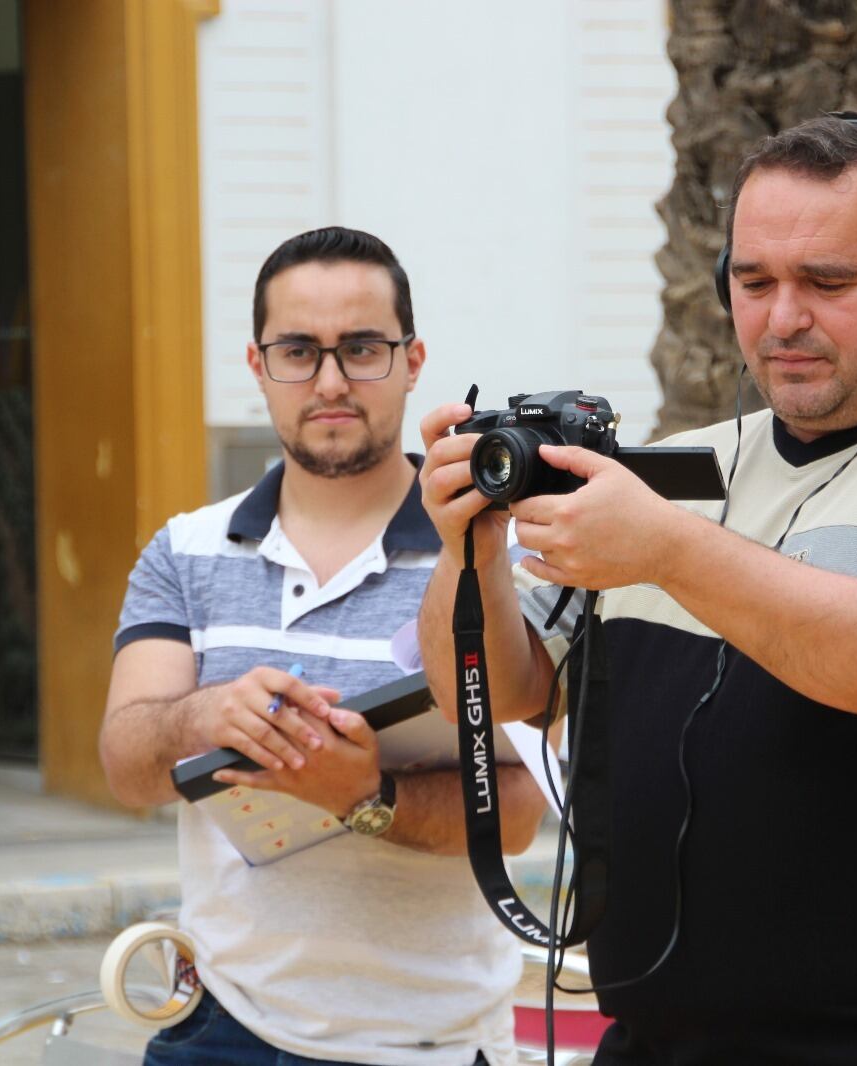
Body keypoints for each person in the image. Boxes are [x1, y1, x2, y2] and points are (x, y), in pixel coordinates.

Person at [416, 115, 857, 1064]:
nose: (782, 319)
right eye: (754, 282)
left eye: (828, 282)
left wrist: (669, 551)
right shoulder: (679, 471)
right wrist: (468, 550)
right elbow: (506, 689)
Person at [100, 226, 547, 1066]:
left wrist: (364, 795)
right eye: (299, 350)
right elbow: (127, 768)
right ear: (258, 365)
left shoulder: (488, 552)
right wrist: (204, 715)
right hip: (223, 1030)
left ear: (413, 361)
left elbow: (518, 813)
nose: (332, 381)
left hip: (430, 1042)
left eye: (363, 349)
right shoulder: (184, 551)